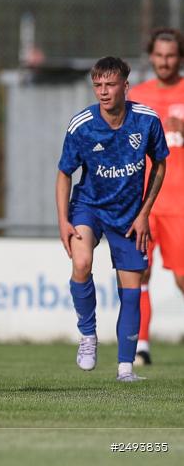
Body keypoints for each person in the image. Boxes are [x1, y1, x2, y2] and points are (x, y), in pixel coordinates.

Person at [55, 56, 168, 382]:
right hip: (88, 207)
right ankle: (88, 336)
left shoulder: (145, 121)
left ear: (125, 87)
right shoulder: (82, 126)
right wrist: (63, 220)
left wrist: (145, 214)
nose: (104, 92)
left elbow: (160, 164)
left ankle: (125, 369)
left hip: (130, 215)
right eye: (98, 86)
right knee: (81, 263)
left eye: (110, 84)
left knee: (132, 288)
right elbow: (64, 173)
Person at [127, 28, 184, 366]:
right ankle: (140, 346)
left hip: (180, 204)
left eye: (171, 56)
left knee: (181, 278)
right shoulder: (139, 97)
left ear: (179, 58)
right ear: (151, 56)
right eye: (160, 55)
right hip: (144, 204)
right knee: (137, 272)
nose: (165, 61)